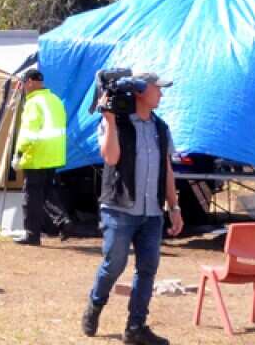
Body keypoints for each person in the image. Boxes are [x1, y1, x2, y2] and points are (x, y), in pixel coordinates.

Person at [82, 73, 183, 344]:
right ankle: (95, 303)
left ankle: (135, 327)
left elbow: (167, 169)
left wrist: (174, 207)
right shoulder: (118, 121)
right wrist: (109, 120)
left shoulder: (161, 127)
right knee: (114, 265)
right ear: (140, 91)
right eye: (157, 89)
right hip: (119, 209)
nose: (161, 94)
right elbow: (110, 157)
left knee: (147, 268)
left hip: (151, 212)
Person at [13, 68, 68, 245]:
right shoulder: (55, 100)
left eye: (22, 83)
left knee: (31, 198)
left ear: (29, 82)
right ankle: (63, 221)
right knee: (46, 193)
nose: (21, 87)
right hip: (54, 155)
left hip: (37, 155)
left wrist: (19, 153)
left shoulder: (33, 103)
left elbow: (29, 132)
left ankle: (32, 235)